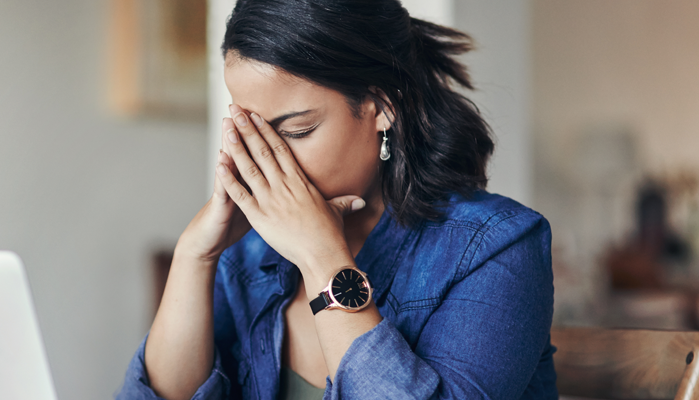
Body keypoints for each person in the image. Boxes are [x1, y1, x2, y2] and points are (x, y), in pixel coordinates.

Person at [116, 0, 556, 399]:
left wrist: (321, 257)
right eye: (255, 133)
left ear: (382, 106)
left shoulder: (497, 247)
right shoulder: (247, 253)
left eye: (296, 131)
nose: (272, 160)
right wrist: (196, 254)